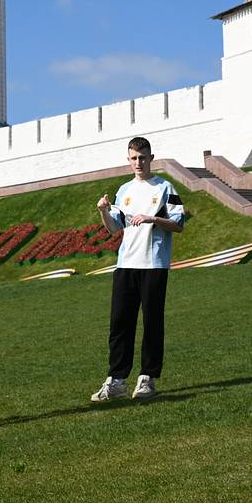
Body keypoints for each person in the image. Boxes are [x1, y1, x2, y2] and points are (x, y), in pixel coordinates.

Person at [91, 136, 186, 402]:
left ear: (151, 158)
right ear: (128, 159)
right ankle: (116, 380)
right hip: (126, 265)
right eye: (133, 158)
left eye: (142, 157)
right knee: (120, 324)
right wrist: (103, 211)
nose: (138, 162)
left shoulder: (165, 187)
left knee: (152, 323)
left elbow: (178, 224)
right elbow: (114, 228)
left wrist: (152, 218)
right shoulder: (124, 190)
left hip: (153, 265)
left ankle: (147, 378)